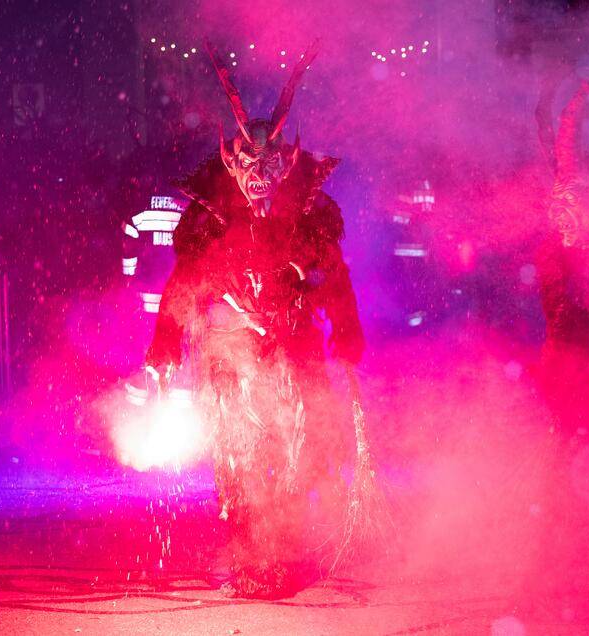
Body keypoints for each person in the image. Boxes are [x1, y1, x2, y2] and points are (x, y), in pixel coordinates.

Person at [145, 45, 365, 598]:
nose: (259, 180)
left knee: (297, 453)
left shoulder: (310, 215)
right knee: (239, 459)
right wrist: (164, 346)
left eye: (270, 168)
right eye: (249, 168)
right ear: (232, 164)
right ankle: (250, 555)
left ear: (287, 165)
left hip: (293, 351)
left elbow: (334, 277)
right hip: (229, 355)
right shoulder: (209, 220)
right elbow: (184, 285)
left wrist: (347, 328)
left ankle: (282, 549)